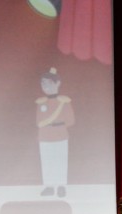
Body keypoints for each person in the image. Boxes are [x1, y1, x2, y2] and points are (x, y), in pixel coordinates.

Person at [36, 67, 75, 197]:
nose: (44, 86)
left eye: (48, 83)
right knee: (47, 161)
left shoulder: (63, 102)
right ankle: (49, 186)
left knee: (60, 161)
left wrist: (57, 124)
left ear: (57, 84)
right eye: (42, 83)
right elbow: (38, 121)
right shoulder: (41, 102)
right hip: (45, 137)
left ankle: (61, 186)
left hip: (60, 135)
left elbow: (70, 120)